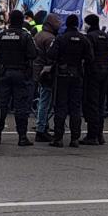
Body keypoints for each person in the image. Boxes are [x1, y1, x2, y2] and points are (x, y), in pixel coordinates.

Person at [0, 9, 37, 146]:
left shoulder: (1, 35)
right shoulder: (25, 35)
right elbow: (33, 54)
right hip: (21, 74)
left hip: (4, 73)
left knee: (2, 105)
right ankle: (22, 137)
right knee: (21, 106)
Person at [47, 15, 93, 148]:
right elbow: (90, 57)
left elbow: (51, 54)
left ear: (66, 24)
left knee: (60, 106)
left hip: (62, 75)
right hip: (77, 74)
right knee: (75, 107)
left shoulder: (61, 38)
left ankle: (58, 138)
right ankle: (74, 138)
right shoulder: (83, 39)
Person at [82, 13, 108, 145]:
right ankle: (100, 134)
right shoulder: (106, 37)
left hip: (92, 73)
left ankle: (92, 135)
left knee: (92, 103)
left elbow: (88, 56)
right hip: (105, 72)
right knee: (101, 103)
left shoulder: (90, 37)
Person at [33, 13, 62, 142]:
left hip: (38, 70)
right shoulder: (50, 38)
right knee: (45, 101)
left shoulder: (39, 35)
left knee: (43, 100)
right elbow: (52, 56)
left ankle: (43, 125)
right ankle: (41, 128)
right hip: (46, 72)